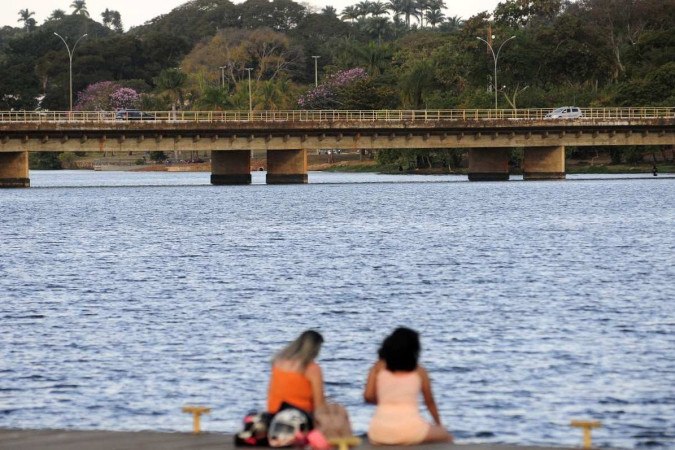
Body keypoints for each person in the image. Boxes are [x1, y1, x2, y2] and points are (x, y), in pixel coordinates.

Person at [364, 327, 453, 445]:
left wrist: (387, 401)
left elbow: (368, 396)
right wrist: (438, 425)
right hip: (409, 430)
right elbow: (429, 402)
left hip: (378, 432)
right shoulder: (420, 371)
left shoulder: (378, 368)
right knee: (447, 436)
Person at [267, 330, 326, 415]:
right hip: (299, 416)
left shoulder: (278, 361)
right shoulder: (312, 369)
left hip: (274, 413)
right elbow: (319, 405)